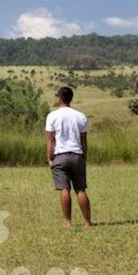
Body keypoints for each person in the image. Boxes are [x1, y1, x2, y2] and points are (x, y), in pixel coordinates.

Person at [45, 86, 92, 228]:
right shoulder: (80, 116)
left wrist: (50, 158)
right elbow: (83, 140)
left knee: (64, 189)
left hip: (60, 155)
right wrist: (84, 156)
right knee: (80, 189)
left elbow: (50, 140)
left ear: (59, 98)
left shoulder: (52, 116)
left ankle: (67, 221)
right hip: (77, 155)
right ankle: (87, 221)